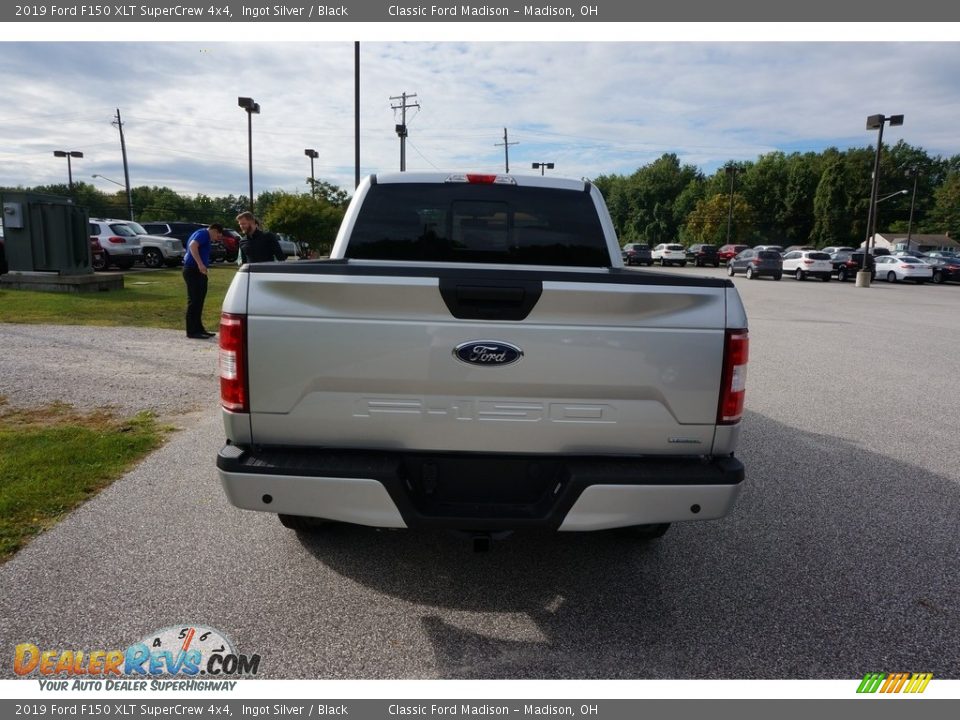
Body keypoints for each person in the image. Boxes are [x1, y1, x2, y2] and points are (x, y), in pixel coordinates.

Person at [182, 223, 223, 339]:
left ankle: (199, 329)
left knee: (199, 300)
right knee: (194, 301)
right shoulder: (204, 234)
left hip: (198, 271)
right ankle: (192, 331)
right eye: (218, 236)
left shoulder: (202, 234)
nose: (216, 239)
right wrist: (200, 264)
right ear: (214, 230)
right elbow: (192, 245)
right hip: (193, 270)